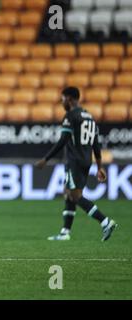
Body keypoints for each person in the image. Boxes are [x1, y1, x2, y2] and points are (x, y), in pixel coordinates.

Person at [35, 87, 117, 241]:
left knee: (75, 195)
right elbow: (96, 144)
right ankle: (65, 232)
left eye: (63, 99)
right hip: (86, 160)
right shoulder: (89, 117)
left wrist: (45, 159)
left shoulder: (71, 116)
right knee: (68, 192)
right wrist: (99, 167)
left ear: (70, 99)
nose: (62, 102)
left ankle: (105, 222)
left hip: (75, 161)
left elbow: (63, 140)